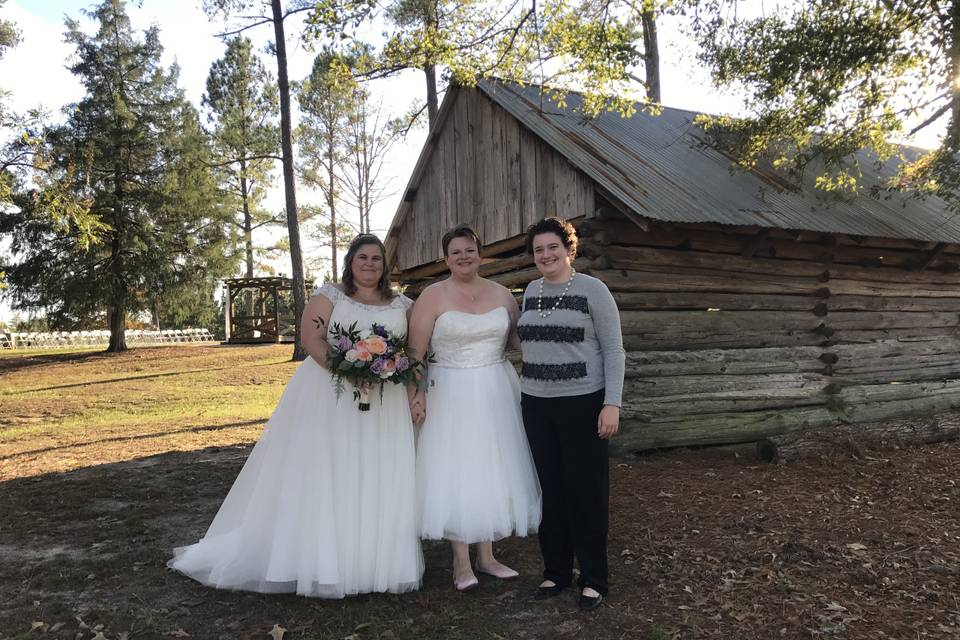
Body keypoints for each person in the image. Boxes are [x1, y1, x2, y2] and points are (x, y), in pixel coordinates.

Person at [168, 234, 424, 598]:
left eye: (377, 259)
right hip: (332, 397)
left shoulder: (403, 304)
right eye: (362, 257)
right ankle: (327, 561)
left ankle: (372, 562)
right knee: (333, 472)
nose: (370, 264)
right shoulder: (329, 296)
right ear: (350, 262)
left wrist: (393, 373)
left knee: (379, 470)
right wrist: (349, 369)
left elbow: (414, 349)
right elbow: (312, 339)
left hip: (386, 403)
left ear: (384, 265)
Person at [408, 223, 541, 592]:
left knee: (491, 465)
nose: (464, 257)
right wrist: (416, 395)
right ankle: (461, 561)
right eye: (456, 252)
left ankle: (488, 556)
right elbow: (416, 353)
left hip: (496, 388)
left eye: (470, 250)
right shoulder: (432, 297)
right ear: (445, 259)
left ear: (479, 254)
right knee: (457, 468)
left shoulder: (502, 294)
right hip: (449, 389)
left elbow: (518, 341)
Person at [518, 217, 625, 611]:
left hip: (583, 403)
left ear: (568, 249)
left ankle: (594, 578)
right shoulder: (531, 290)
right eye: (538, 250)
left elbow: (614, 350)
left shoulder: (593, 290)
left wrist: (611, 402)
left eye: (552, 247)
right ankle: (556, 572)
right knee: (552, 490)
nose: (545, 255)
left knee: (587, 492)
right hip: (536, 404)